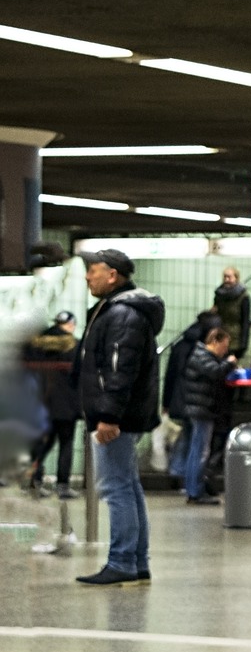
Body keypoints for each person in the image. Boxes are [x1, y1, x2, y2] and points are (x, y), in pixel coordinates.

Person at [73, 248, 166, 585]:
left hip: (116, 417)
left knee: (115, 488)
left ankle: (123, 561)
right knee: (127, 486)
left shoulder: (122, 314)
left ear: (112, 275)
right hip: (123, 414)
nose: (87, 276)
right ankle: (136, 561)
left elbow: (119, 370)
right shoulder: (118, 310)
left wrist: (108, 415)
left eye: (93, 270)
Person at [22, 310, 81, 498]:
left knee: (40, 444)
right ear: (71, 324)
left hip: (40, 402)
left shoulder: (34, 345)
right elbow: (80, 375)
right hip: (66, 405)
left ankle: (34, 481)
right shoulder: (75, 346)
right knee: (66, 443)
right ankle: (62, 486)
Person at [162, 309, 222, 485]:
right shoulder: (203, 349)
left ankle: (176, 470)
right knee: (196, 442)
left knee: (188, 436)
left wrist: (166, 401)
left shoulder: (181, 345)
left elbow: (170, 375)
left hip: (179, 397)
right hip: (196, 399)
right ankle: (189, 480)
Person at [182, 326, 236, 505]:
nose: (225, 350)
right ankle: (196, 491)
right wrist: (230, 363)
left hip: (200, 408)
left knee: (196, 450)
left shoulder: (200, 355)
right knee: (201, 451)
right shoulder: (202, 356)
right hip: (202, 410)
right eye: (224, 345)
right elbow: (216, 372)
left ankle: (193, 489)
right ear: (215, 342)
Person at [213, 266, 251, 359]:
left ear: (236, 278)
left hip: (235, 341)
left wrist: (244, 344)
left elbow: (246, 322)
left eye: (229, 277)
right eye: (225, 277)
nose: (226, 279)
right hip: (220, 338)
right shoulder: (219, 295)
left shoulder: (244, 297)